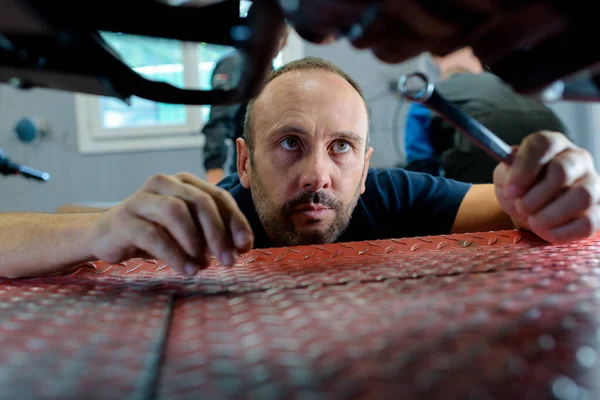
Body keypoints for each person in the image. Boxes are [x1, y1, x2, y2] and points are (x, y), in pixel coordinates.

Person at [1, 57, 599, 280]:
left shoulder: (390, 198)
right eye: (290, 143)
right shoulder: (213, 217)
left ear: (365, 167)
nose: (318, 174)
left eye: (341, 147)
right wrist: (100, 228)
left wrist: (557, 188)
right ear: (244, 160)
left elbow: (521, 206)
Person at [404, 47, 568, 183]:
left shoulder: (426, 103)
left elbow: (419, 173)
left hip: (473, 201)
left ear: (435, 59)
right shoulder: (526, 95)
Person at [202, 25, 289, 184]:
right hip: (246, 173)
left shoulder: (269, 70)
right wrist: (214, 179)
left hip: (271, 173)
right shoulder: (234, 63)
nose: (281, 44)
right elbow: (218, 120)